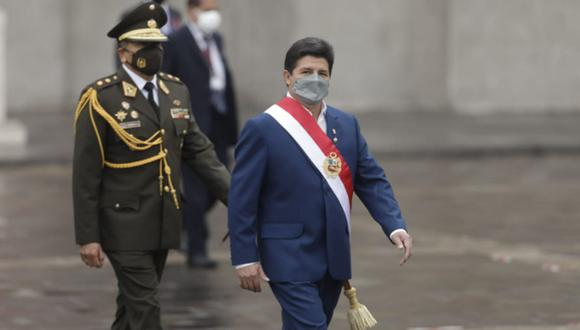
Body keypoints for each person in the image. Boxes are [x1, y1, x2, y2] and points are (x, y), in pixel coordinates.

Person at [228, 37, 413, 329]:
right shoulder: (263, 128)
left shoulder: (346, 124)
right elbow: (242, 198)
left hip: (333, 255)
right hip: (287, 255)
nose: (314, 79)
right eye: (306, 72)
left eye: (322, 74)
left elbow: (371, 178)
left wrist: (394, 225)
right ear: (287, 77)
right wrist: (244, 257)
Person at [72, 2, 230, 329]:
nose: (153, 52)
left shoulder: (175, 91)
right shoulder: (101, 99)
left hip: (163, 221)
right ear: (123, 53)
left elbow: (199, 152)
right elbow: (86, 174)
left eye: (157, 45)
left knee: (130, 311)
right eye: (144, 46)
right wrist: (88, 236)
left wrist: (237, 197)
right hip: (121, 224)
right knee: (146, 309)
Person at [162, 0, 238, 268]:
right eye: (207, 9)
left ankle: (180, 220)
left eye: (215, 9)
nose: (213, 15)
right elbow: (166, 82)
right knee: (195, 187)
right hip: (191, 125)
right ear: (192, 11)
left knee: (219, 182)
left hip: (218, 121)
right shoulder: (176, 41)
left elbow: (223, 80)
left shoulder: (216, 38)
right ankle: (197, 249)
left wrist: (232, 130)